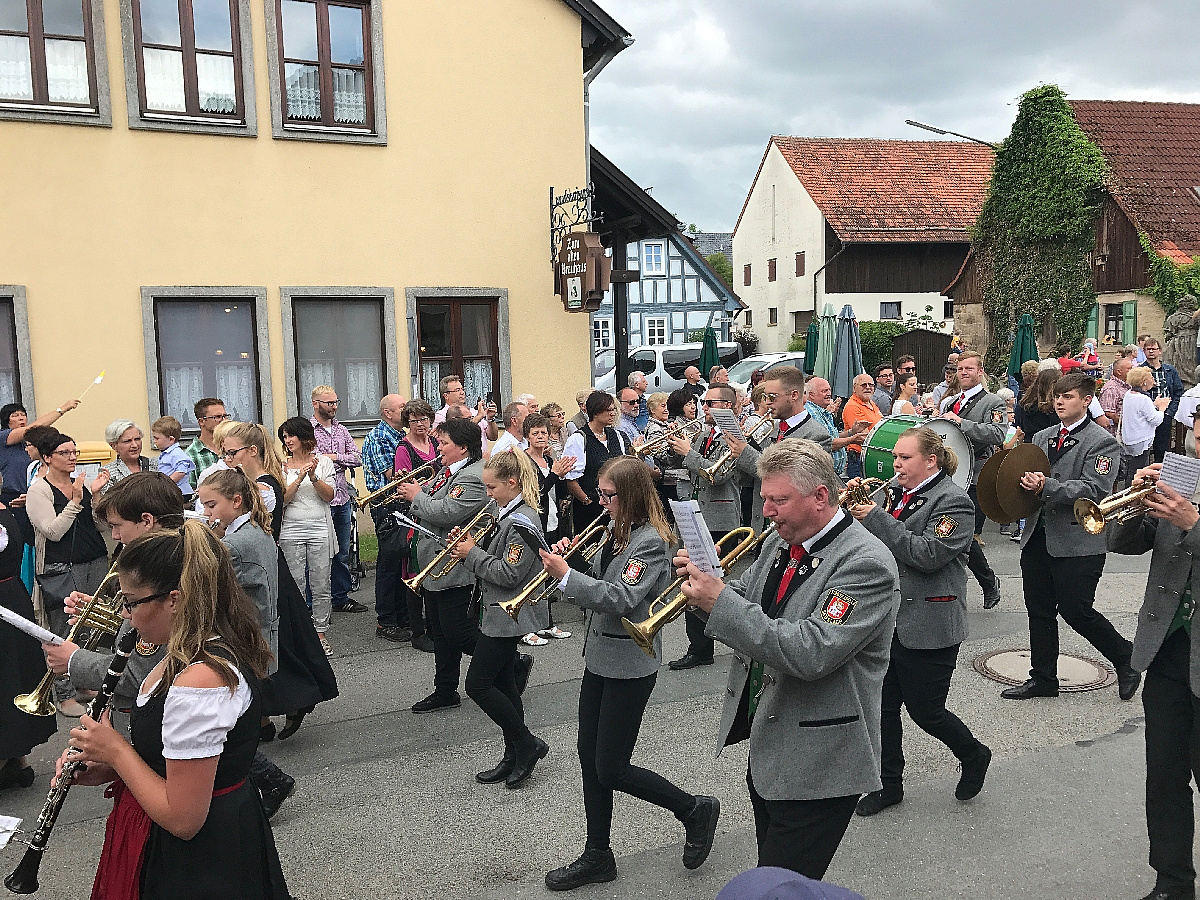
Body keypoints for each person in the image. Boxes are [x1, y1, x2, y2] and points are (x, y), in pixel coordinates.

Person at [674, 439, 900, 878]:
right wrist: (703, 586)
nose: (767, 511)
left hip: (820, 761)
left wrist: (719, 602)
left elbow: (810, 651)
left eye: (779, 500)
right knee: (777, 879)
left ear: (820, 496)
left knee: (780, 885)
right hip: (773, 746)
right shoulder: (783, 541)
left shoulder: (866, 562)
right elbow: (747, 602)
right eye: (765, 499)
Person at [59, 522, 290, 900]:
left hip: (201, 864)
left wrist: (116, 750)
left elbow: (184, 820)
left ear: (174, 599)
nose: (126, 615)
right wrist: (106, 767)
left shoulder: (201, 681)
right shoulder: (181, 653)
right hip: (202, 841)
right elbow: (170, 763)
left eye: (131, 602)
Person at [539, 456, 720, 891]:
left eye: (608, 495)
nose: (601, 502)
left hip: (629, 663)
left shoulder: (650, 541)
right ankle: (597, 854)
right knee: (589, 757)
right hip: (600, 656)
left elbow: (622, 597)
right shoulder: (615, 529)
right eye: (600, 493)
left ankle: (693, 808)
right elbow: (601, 581)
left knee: (611, 767)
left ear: (632, 495)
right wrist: (571, 562)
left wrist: (568, 577)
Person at [846, 428, 992, 816]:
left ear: (931, 461)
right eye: (895, 457)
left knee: (927, 712)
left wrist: (875, 517)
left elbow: (927, 555)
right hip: (886, 618)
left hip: (930, 618)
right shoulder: (896, 494)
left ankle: (974, 754)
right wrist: (859, 511)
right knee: (882, 708)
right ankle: (888, 784)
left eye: (904, 458)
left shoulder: (954, 502)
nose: (896, 464)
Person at [1002, 372, 1139, 701]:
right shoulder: (1042, 436)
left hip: (1079, 541)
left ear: (1087, 401)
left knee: (1077, 610)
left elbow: (1095, 489)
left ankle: (1125, 658)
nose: (1059, 402)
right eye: (1057, 397)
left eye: (1068, 397)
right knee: (1039, 611)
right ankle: (1043, 678)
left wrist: (1045, 486)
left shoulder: (1102, 441)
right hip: (1038, 537)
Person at [1109, 454, 1200, 900]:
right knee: (1164, 777)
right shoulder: (1185, 479)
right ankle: (1172, 882)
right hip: (1166, 648)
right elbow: (1123, 543)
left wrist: (1194, 525)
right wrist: (1135, 498)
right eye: (1198, 437)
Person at [42, 473, 185, 737]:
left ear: (147, 521)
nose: (116, 536)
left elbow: (138, 675)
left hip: (150, 723)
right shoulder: (168, 560)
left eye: (117, 526)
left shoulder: (162, 572)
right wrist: (105, 613)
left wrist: (73, 660)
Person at [220, 422, 337, 742]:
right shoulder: (251, 483)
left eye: (231, 453)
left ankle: (290, 701)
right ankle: (264, 715)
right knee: (261, 640)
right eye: (224, 453)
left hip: (264, 569)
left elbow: (249, 526)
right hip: (258, 567)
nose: (227, 459)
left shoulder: (263, 487)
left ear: (251, 451)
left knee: (274, 640)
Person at [196, 468, 297, 818]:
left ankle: (270, 781)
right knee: (232, 722)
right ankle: (267, 781)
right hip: (258, 635)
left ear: (236, 501)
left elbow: (207, 585)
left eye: (211, 505)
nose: (205, 512)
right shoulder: (253, 530)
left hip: (244, 640)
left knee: (227, 726)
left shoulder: (235, 545)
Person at [449, 449, 552, 786]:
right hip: (494, 610)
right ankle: (513, 754)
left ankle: (526, 744)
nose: (488, 494)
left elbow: (509, 573)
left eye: (492, 488)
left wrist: (471, 554)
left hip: (509, 614)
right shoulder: (502, 510)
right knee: (506, 686)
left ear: (512, 483)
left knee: (478, 685)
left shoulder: (523, 521)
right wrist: (466, 546)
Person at [394, 416, 493, 714]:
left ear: (462, 447)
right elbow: (433, 498)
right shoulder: (450, 470)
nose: (437, 447)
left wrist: (416, 495)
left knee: (458, 632)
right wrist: (415, 489)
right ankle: (445, 690)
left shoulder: (473, 476)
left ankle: (509, 661)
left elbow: (446, 512)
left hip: (456, 566)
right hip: (436, 564)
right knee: (440, 632)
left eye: (444, 443)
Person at [28, 430, 110, 717]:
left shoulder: (80, 484)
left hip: (94, 560)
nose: (72, 457)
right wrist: (75, 502)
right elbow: (52, 531)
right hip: (62, 568)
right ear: (47, 457)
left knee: (91, 626)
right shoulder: (39, 490)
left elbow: (100, 526)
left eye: (74, 452)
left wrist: (95, 496)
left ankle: (83, 681)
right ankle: (63, 695)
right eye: (64, 453)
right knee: (64, 629)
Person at [667, 384, 741, 671]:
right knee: (691, 580)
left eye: (711, 403)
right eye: (704, 402)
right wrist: (674, 446)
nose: (704, 407)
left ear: (728, 406)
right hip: (695, 512)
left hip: (720, 518)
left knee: (709, 584)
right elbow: (687, 466)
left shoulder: (736, 438)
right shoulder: (704, 434)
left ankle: (712, 644)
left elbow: (718, 474)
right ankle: (699, 647)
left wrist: (688, 452)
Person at [938, 353, 1006, 610]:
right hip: (948, 475)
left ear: (980, 371)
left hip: (976, 475)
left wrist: (961, 422)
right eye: (960, 369)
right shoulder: (950, 401)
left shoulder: (993, 401)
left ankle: (987, 582)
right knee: (949, 530)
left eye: (969, 368)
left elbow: (998, 433)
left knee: (963, 533)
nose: (963, 372)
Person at [732, 366, 834, 534]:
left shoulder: (816, 435)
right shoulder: (772, 428)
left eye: (772, 397)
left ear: (794, 395)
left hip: (793, 527)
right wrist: (737, 455)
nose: (767, 402)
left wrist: (745, 453)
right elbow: (748, 480)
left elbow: (792, 480)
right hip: (761, 521)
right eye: (765, 397)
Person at [1, 498, 56, 790]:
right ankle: (18, 762)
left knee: (8, 680)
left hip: (4, 606)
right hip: (12, 598)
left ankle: (10, 759)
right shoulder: (7, 511)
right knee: (15, 674)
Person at [278, 417, 336, 657]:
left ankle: (320, 633)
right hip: (291, 530)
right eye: (284, 437)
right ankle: (300, 635)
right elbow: (283, 499)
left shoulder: (323, 462)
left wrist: (313, 476)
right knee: (295, 584)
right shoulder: (281, 466)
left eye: (291, 435)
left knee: (321, 583)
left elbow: (329, 496)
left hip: (319, 528)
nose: (287, 440)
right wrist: (299, 477)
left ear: (303, 436)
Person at [387, 399, 439, 648]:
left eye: (424, 419)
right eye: (415, 420)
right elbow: (404, 486)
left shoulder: (436, 443)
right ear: (407, 422)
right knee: (415, 571)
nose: (420, 424)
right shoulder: (403, 449)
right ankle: (418, 631)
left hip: (435, 511)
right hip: (413, 515)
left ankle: (435, 626)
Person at [310, 385, 366, 615]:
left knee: (342, 551)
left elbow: (358, 458)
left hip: (342, 497)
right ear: (316, 404)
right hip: (320, 498)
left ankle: (340, 597)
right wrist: (336, 460)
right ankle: (312, 602)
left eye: (335, 402)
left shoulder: (341, 430)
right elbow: (312, 460)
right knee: (317, 553)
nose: (334, 407)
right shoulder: (308, 430)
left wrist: (334, 457)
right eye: (329, 403)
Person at [362, 393, 408, 639]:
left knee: (401, 562)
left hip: (401, 503)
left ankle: (402, 616)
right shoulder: (379, 436)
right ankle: (386, 621)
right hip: (386, 505)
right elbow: (394, 475)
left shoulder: (400, 435)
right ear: (388, 413)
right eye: (402, 407)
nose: (406, 410)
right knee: (389, 564)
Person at [561, 392, 632, 533]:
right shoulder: (579, 439)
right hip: (590, 510)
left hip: (617, 506)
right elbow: (571, 480)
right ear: (596, 412)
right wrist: (587, 501)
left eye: (613, 409)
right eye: (608, 410)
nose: (613, 413)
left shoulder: (616, 435)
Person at [0, 399, 80, 506]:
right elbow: (33, 428)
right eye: (15, 415)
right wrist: (62, 409)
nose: (21, 418)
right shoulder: (3, 436)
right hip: (12, 495)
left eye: (23, 415)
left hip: (34, 495)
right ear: (6, 420)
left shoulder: (39, 464)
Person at [1122, 367, 1170, 481]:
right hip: (1141, 440)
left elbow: (1140, 412)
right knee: (1138, 472)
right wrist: (1162, 408)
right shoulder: (1143, 399)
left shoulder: (1128, 394)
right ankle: (1133, 491)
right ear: (1144, 381)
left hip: (1130, 439)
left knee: (1131, 469)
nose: (1153, 381)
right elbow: (1156, 420)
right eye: (1151, 378)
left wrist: (1154, 404)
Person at [804, 377, 858, 478]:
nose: (829, 394)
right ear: (811, 394)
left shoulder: (821, 411)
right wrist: (852, 440)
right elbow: (828, 443)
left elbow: (833, 436)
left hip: (830, 474)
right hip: (822, 475)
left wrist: (851, 432)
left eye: (829, 390)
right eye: (824, 391)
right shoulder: (812, 412)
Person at [1144, 339, 1184, 462]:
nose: (1151, 351)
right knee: (1144, 450)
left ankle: (1160, 471)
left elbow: (1178, 392)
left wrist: (1170, 412)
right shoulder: (1140, 370)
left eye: (1154, 349)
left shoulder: (1170, 370)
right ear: (1144, 351)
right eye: (1148, 349)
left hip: (1165, 414)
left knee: (1162, 449)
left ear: (1160, 351)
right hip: (1146, 415)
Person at [432, 374, 498, 444]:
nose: (462, 393)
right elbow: (453, 438)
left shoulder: (474, 412)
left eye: (462, 389)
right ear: (446, 396)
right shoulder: (440, 416)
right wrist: (478, 417)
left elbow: (493, 437)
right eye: (457, 390)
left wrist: (490, 419)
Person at [842, 373, 883, 480]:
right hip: (859, 459)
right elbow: (865, 437)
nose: (868, 387)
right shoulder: (853, 406)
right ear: (854, 388)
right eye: (864, 385)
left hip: (870, 456)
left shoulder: (871, 403)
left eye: (871, 385)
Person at [185, 397, 229, 492]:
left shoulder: (233, 448)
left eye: (225, 416)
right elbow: (190, 494)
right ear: (201, 421)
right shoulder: (190, 455)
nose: (224, 421)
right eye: (218, 417)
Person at [152, 416, 195, 501]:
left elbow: (181, 471)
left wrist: (167, 483)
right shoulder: (167, 453)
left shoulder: (176, 453)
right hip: (171, 491)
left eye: (157, 438)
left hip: (179, 492)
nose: (154, 441)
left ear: (171, 439)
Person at [102, 420, 151, 490]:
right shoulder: (108, 472)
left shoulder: (156, 464)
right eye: (128, 441)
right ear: (114, 446)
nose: (135, 445)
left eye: (137, 439)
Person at [1099, 356, 1134, 439]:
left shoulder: (1127, 385)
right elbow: (1108, 413)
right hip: (1115, 436)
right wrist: (1128, 423)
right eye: (1129, 368)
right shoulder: (1111, 388)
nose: (1132, 371)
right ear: (1119, 371)